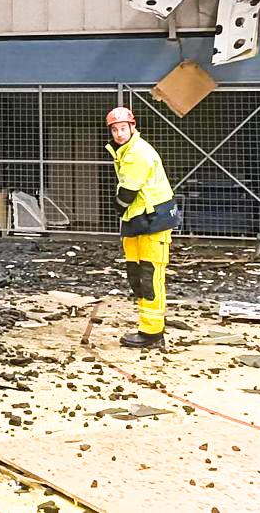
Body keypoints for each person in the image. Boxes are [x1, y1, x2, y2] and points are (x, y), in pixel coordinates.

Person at [105, 106, 179, 348]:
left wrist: (117, 210)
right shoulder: (127, 151)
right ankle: (148, 329)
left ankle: (152, 333)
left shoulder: (137, 153)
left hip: (152, 220)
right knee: (138, 274)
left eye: (122, 128)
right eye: (114, 129)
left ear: (132, 127)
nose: (118, 133)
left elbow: (128, 190)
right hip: (140, 219)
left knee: (149, 277)